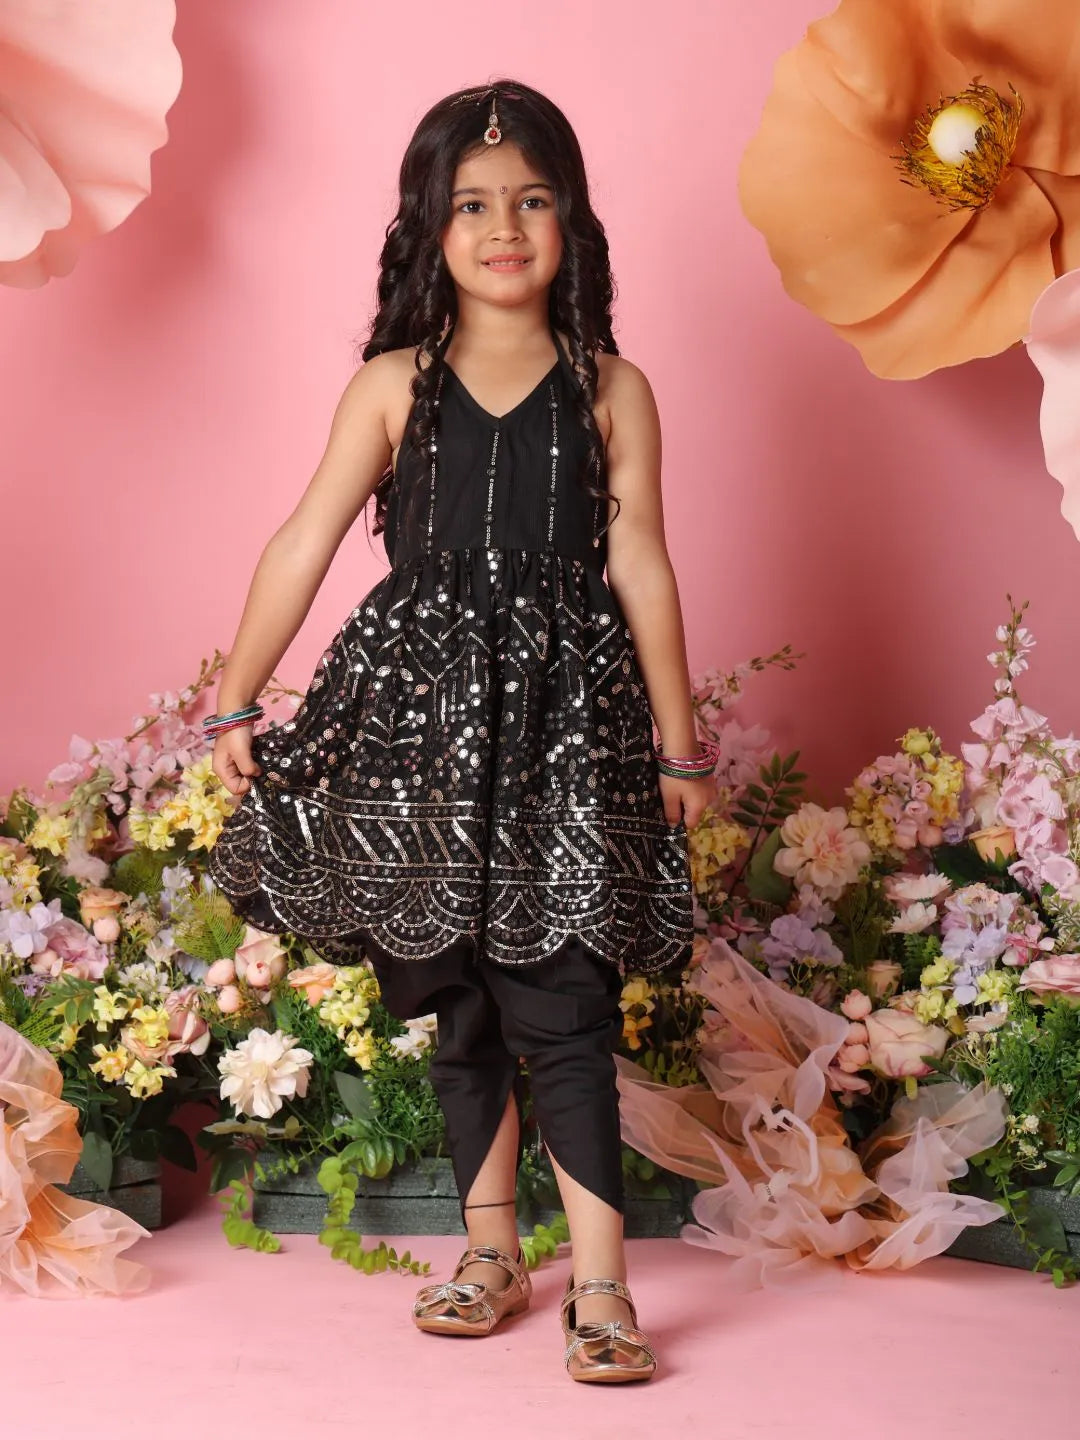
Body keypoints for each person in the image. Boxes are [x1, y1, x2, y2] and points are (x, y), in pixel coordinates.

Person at [205, 78, 716, 1383]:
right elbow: (304, 540)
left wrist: (679, 744)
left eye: (532, 199)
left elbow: (645, 565)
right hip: (420, 740)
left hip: (564, 743)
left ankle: (601, 1288)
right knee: (465, 1001)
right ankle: (490, 1254)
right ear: (428, 227)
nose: (504, 226)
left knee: (566, 994)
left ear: (574, 222)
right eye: (474, 204)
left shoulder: (614, 388)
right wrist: (235, 695)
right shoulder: (393, 386)